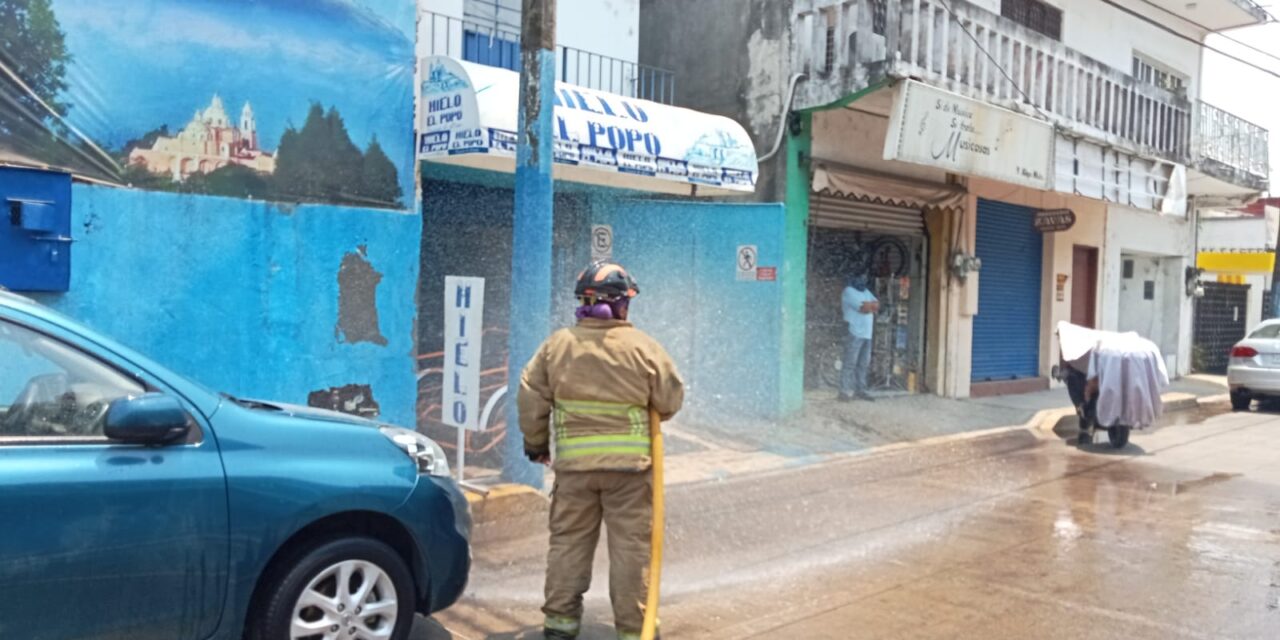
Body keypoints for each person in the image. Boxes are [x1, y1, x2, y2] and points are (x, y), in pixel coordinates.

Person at [519, 260, 685, 640]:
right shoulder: (644, 347)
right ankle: (635, 630)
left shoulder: (557, 346)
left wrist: (536, 445)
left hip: (574, 470)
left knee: (568, 545)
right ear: (621, 304)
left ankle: (560, 625)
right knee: (631, 550)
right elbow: (670, 400)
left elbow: (529, 396)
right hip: (630, 472)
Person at [839, 273, 879, 401]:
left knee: (863, 364)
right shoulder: (848, 291)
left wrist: (870, 306)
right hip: (854, 332)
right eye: (860, 277)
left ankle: (860, 390)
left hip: (867, 334)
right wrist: (869, 306)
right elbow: (864, 308)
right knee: (850, 363)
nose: (863, 279)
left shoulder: (865, 291)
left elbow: (876, 305)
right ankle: (844, 391)